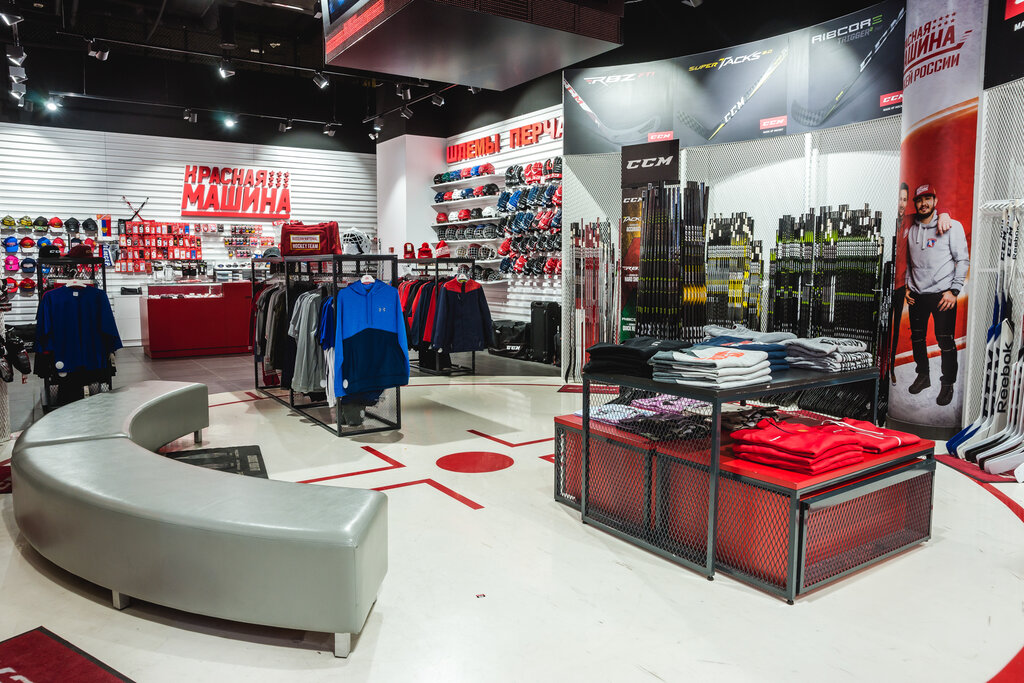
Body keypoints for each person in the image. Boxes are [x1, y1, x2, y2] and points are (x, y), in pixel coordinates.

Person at [905, 183, 969, 406]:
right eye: (919, 200)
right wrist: (907, 286)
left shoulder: (951, 226)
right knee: (917, 338)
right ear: (915, 203)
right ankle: (923, 375)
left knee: (945, 341)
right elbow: (908, 262)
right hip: (917, 295)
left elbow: (963, 260)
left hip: (943, 295)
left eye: (928, 199)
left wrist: (954, 291)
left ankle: (947, 383)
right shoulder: (910, 229)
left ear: (935, 201)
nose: (923, 204)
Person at [891, 183, 953, 383]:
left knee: (903, 332)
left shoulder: (912, 220)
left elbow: (934, 210)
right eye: (898, 199)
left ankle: (944, 381)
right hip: (892, 284)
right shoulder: (894, 222)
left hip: (904, 287)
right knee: (891, 331)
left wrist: (945, 213)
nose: (901, 204)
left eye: (904, 199)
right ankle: (895, 371)